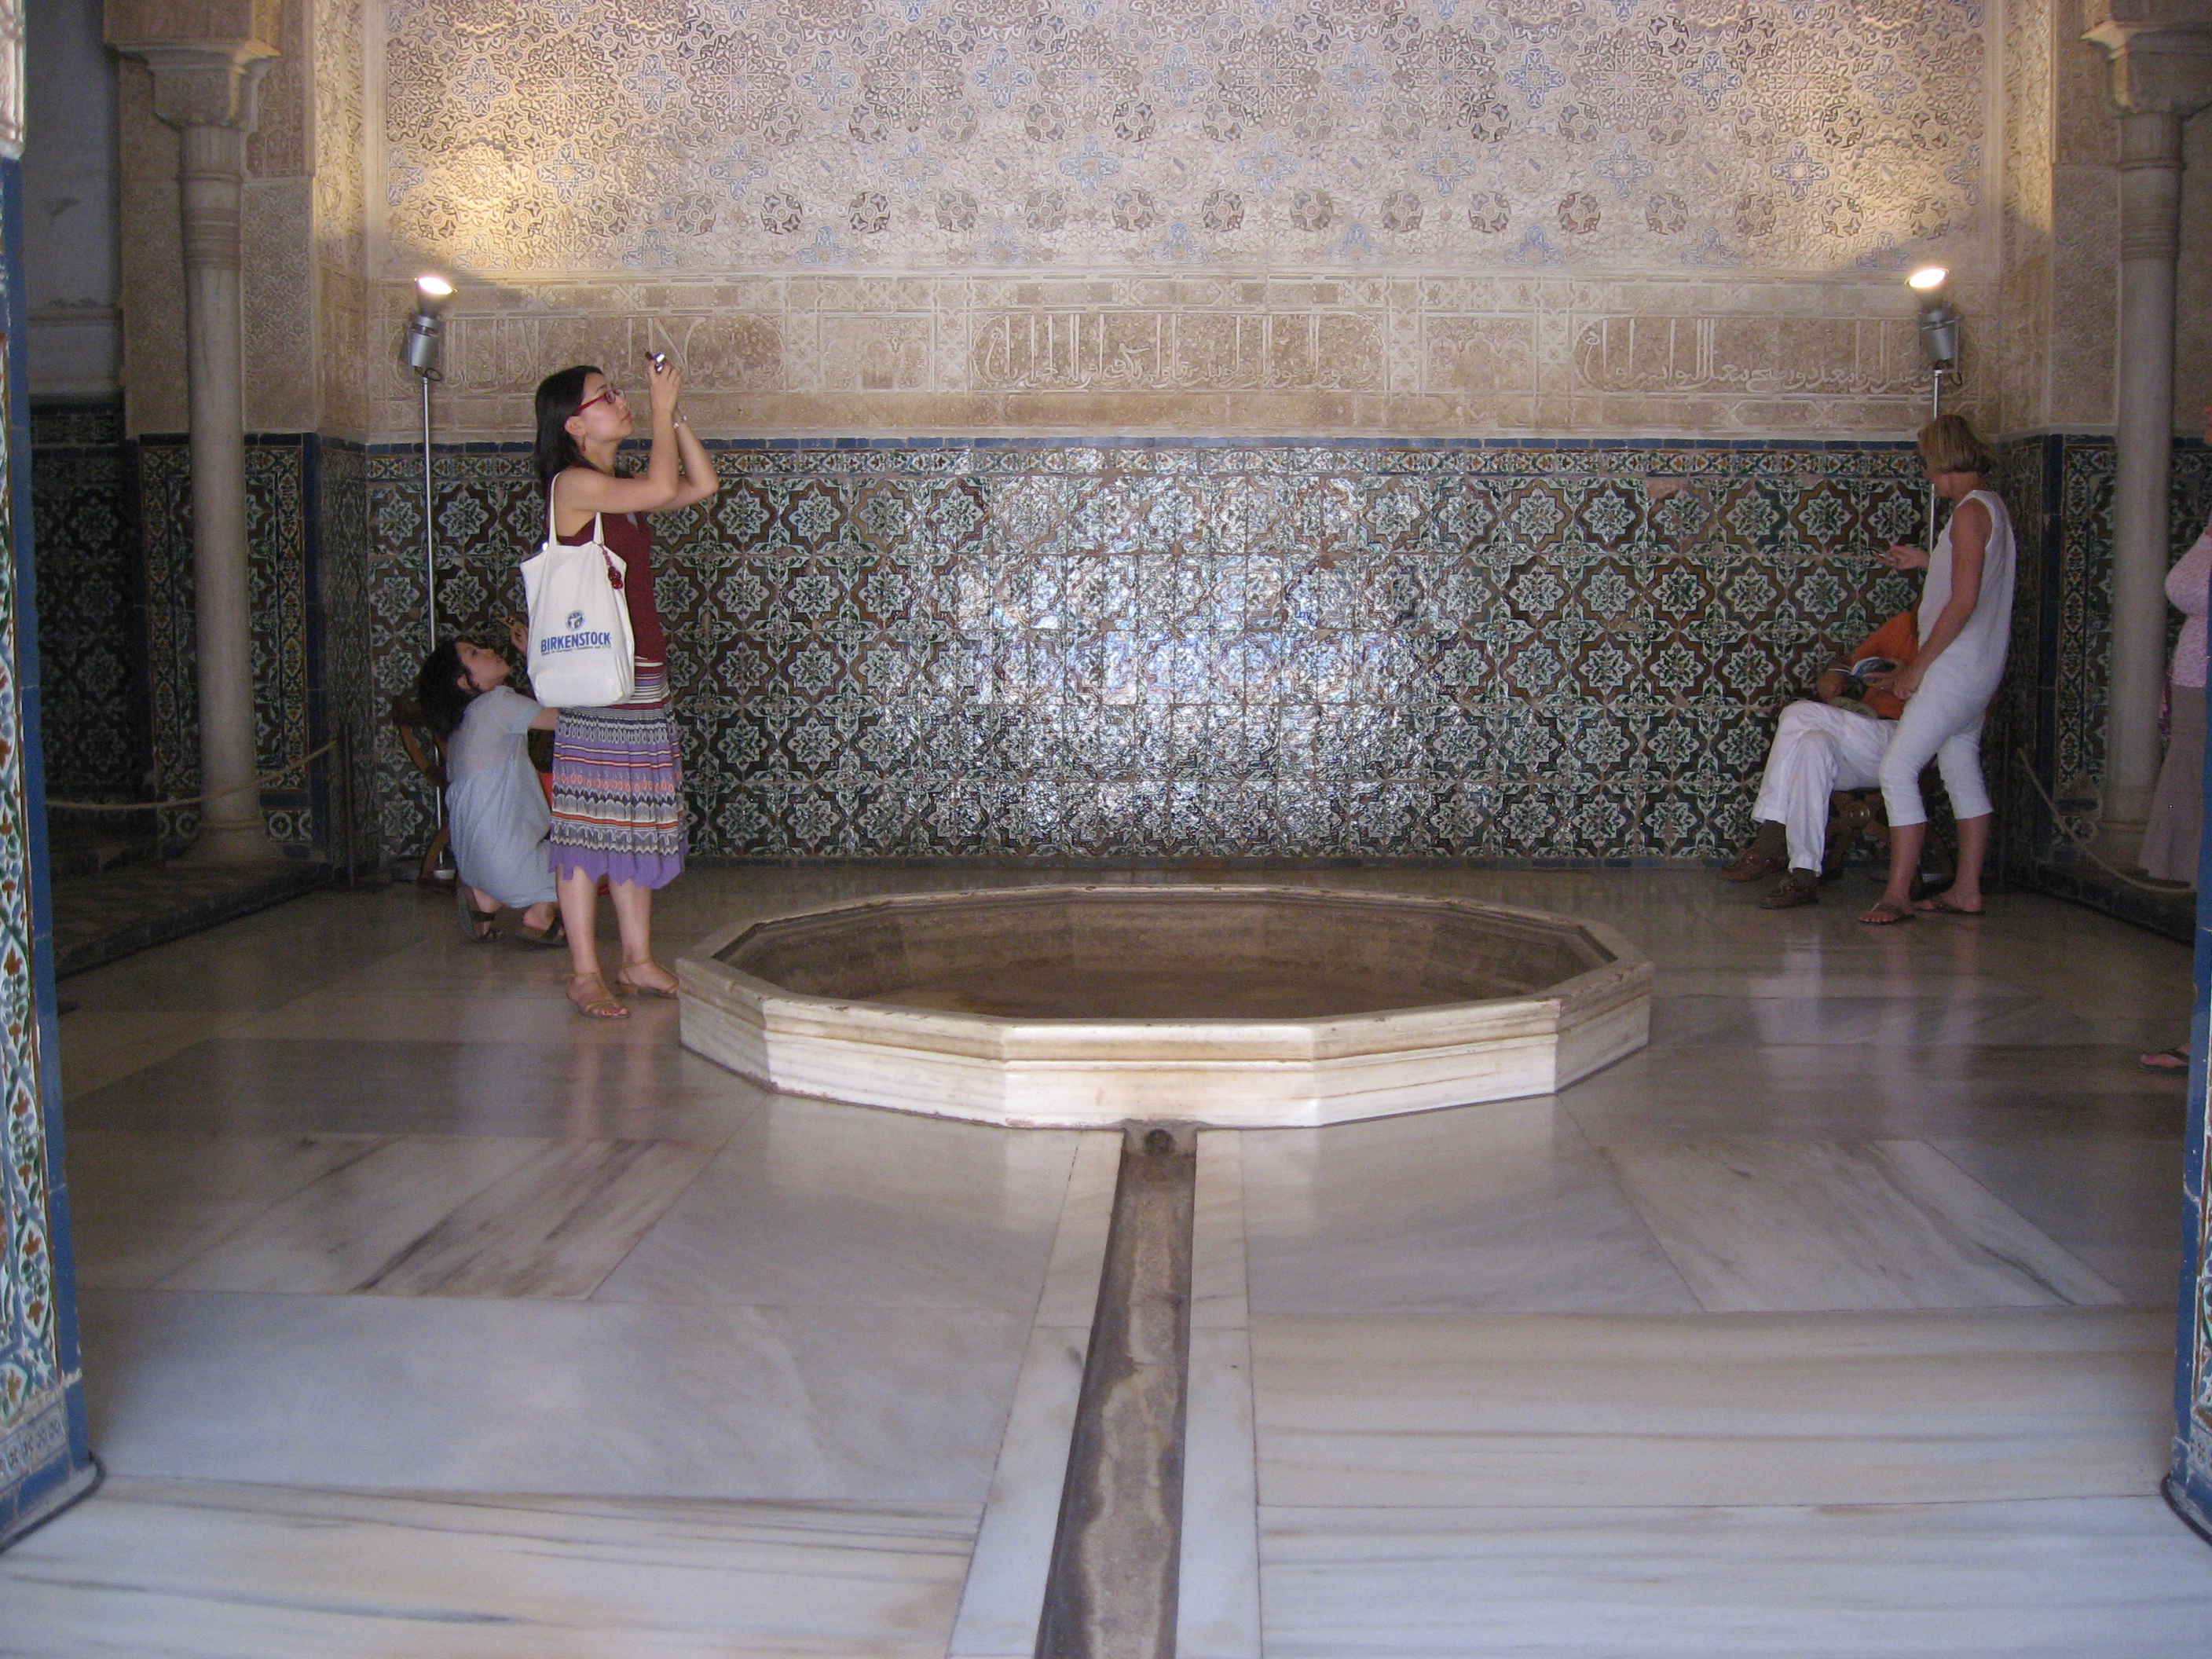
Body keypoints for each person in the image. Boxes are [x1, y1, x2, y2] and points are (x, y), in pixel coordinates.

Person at [534, 356, 719, 1018]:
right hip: (597, 682)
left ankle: (637, 959)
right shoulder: (574, 484)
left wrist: (676, 413)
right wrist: (660, 410)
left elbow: (701, 483)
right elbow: (665, 481)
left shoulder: (617, 488)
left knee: (634, 821)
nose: (620, 401)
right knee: (588, 825)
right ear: (574, 425)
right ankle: (585, 971)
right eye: (605, 397)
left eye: (617, 393)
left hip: (641, 675)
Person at [1858, 414, 2016, 925]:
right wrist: (1926, 562)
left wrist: (1917, 669)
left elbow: (1963, 602)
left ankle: (1897, 894)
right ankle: (1966, 890)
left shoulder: (1969, 513)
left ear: (1945, 460)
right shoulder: (1990, 507)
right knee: (1960, 768)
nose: (1928, 475)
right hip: (1979, 671)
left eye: (1928, 464)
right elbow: (1973, 576)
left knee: (1897, 769)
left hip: (1954, 669)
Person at [1720, 610, 1917, 908]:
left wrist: (1911, 676)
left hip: (1904, 739)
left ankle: (1770, 838)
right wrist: (1835, 672)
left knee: (1798, 713)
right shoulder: (1904, 625)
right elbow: (1850, 660)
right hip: (1865, 734)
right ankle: (1804, 875)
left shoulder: (1951, 637)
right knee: (1811, 745)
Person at [415, 625, 563, 946]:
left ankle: (485, 900)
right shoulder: (497, 704)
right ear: (464, 681)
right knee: (602, 848)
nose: (488, 651)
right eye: (474, 653)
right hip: (510, 870)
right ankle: (541, 911)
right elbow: (567, 719)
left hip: (470, 867)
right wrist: (536, 655)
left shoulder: (462, 726)